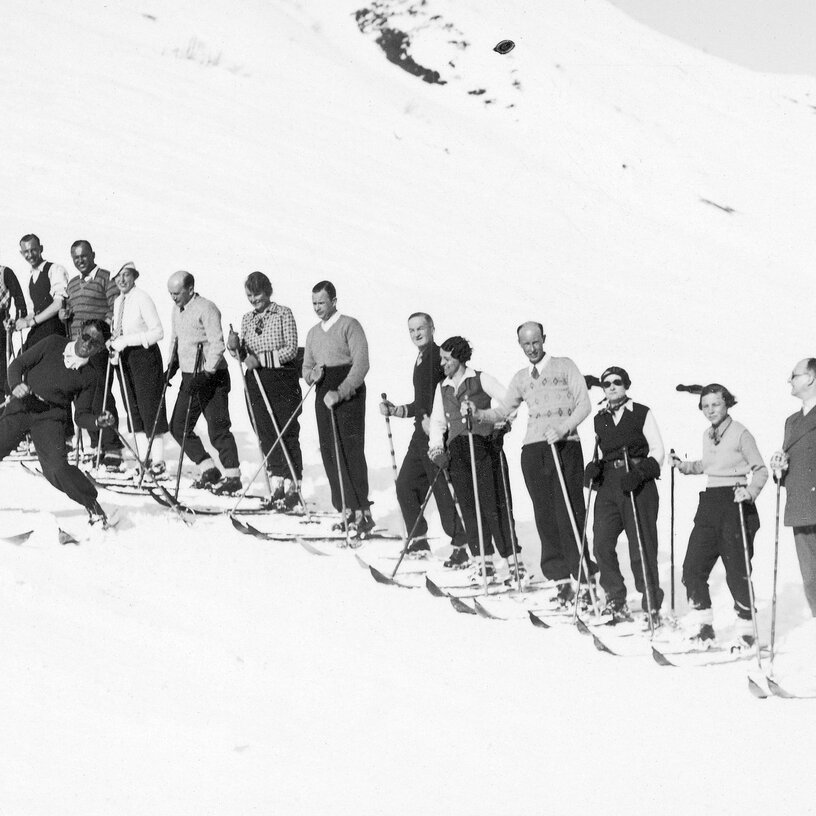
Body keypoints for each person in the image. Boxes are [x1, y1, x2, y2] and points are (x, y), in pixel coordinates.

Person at [477, 322, 595, 606]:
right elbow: (505, 410)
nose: (531, 348)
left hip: (564, 446)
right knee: (545, 516)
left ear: (544, 339)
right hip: (533, 450)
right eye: (525, 344)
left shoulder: (565, 366)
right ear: (520, 345)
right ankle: (561, 580)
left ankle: (585, 579)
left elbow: (584, 404)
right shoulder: (520, 377)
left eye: (535, 342)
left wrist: (564, 428)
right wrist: (479, 413)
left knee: (569, 513)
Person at [670, 384, 768, 649]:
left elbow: (760, 470)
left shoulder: (740, 433)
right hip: (710, 504)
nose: (710, 410)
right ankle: (704, 628)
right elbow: (709, 465)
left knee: (737, 571)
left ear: (727, 404)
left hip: (735, 504)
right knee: (692, 568)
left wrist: (750, 492)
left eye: (715, 404)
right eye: (705, 405)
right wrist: (684, 466)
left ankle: (747, 632)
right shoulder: (707, 433)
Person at [2, 319, 113, 524]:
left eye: (94, 343)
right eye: (86, 337)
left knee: (57, 468)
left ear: (99, 349)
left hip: (50, 417)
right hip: (24, 404)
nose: (87, 344)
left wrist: (97, 421)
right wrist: (16, 384)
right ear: (79, 333)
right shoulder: (53, 343)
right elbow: (17, 364)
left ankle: (92, 504)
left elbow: (81, 415)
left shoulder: (89, 376)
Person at [428, 336, 519, 584]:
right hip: (457, 450)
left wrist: (500, 425)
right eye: (441, 359)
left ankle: (514, 565)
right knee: (469, 506)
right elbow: (438, 422)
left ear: (459, 357)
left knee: (494, 504)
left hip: (483, 447)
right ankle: (483, 563)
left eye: (447, 359)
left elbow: (510, 402)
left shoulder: (480, 378)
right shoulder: (442, 387)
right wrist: (437, 448)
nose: (443, 363)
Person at [380, 313, 467, 562]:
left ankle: (461, 546)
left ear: (432, 328)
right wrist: (398, 410)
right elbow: (421, 402)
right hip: (421, 433)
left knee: (442, 490)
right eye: (412, 330)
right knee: (405, 484)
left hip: (435, 434)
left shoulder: (439, 358)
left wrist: (437, 423)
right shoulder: (421, 358)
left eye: (421, 328)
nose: (416, 333)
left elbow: (446, 395)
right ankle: (418, 542)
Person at [584, 366, 664, 627]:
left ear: (626, 384)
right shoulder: (600, 418)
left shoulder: (641, 412)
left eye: (617, 382)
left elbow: (657, 450)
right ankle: (616, 600)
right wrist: (594, 468)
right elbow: (601, 450)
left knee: (641, 544)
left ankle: (651, 604)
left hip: (636, 481)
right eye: (606, 383)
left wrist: (641, 474)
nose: (611, 387)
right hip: (609, 485)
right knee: (602, 542)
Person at [302, 280, 373, 534]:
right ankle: (345, 509)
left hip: (347, 392)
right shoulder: (312, 333)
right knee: (329, 451)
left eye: (321, 302)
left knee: (350, 450)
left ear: (333, 301)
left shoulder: (349, 325)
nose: (317, 308)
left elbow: (361, 364)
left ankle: (362, 512)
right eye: (314, 303)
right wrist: (313, 375)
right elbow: (306, 369)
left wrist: (341, 391)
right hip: (323, 391)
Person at [227, 271, 302, 507]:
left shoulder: (283, 314)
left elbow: (290, 349)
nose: (253, 300)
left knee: (285, 429)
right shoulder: (247, 318)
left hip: (281, 378)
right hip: (256, 381)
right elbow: (244, 354)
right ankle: (277, 480)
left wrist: (261, 359)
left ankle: (293, 483)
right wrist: (234, 348)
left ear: (267, 291)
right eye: (250, 295)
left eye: (257, 295)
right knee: (265, 430)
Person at [167, 271, 241, 494]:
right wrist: (172, 365)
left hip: (211, 376)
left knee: (217, 428)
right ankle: (208, 468)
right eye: (170, 293)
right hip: (190, 376)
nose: (173, 298)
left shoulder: (206, 308)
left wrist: (207, 373)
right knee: (178, 426)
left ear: (190, 289)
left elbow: (217, 343)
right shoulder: (176, 310)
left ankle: (232, 476)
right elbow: (176, 339)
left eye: (177, 293)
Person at [62, 239, 122, 466]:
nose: (80, 261)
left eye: (83, 256)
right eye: (76, 257)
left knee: (101, 396)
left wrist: (102, 331)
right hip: (78, 349)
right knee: (82, 399)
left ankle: (112, 448)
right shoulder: (72, 284)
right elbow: (71, 311)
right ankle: (97, 445)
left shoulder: (106, 277)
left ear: (93, 254)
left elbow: (115, 307)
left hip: (97, 347)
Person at [109, 262, 168, 475]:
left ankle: (158, 462)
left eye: (126, 275)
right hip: (125, 359)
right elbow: (120, 330)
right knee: (132, 408)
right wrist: (115, 343)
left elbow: (157, 332)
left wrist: (127, 341)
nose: (122, 280)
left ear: (134, 276)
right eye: (118, 276)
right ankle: (144, 459)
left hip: (145, 357)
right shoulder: (118, 302)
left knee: (149, 407)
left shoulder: (142, 297)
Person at [770, 359, 816, 619]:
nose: (789, 380)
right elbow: (794, 466)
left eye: (794, 375)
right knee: (811, 579)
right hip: (802, 507)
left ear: (810, 378)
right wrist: (780, 468)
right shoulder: (792, 421)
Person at [16, 234, 69, 350]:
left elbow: (59, 304)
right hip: (38, 329)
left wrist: (31, 322)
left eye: (33, 250)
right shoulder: (31, 278)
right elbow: (33, 312)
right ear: (21, 253)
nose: (30, 255)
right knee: (18, 362)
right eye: (26, 252)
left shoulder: (55, 269)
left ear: (41, 249)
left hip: (53, 329)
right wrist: (21, 321)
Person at [0, 261, 27, 394]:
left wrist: (16, 321)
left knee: (1, 372)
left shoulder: (4, 272)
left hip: (0, 323)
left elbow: (19, 300)